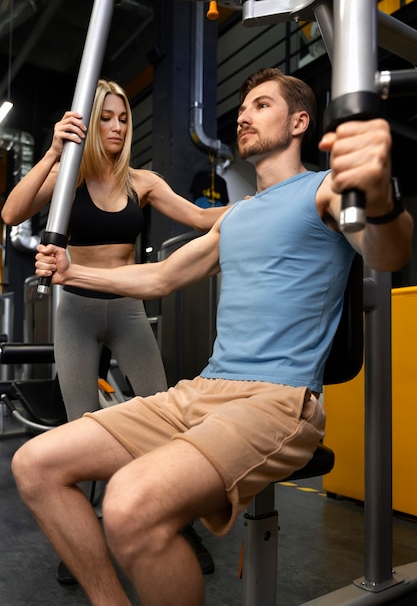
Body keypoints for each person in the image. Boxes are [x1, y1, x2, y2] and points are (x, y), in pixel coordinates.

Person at [12, 67, 413, 606]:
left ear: (300, 121)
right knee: (35, 464)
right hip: (202, 389)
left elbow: (389, 253)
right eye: (243, 107)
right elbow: (160, 277)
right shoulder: (238, 216)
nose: (244, 115)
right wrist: (72, 271)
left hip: (276, 398)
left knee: (129, 502)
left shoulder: (325, 189)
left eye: (261, 105)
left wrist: (382, 196)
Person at [1, 79, 222, 579]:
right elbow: (12, 212)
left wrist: (265, 205)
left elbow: (203, 217)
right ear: (89, 122)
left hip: (127, 311)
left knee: (164, 421)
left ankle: (179, 523)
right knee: (78, 433)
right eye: (107, 117)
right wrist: (55, 152)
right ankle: (78, 538)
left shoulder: (141, 182)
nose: (118, 126)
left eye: (123, 117)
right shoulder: (68, 178)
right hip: (75, 312)